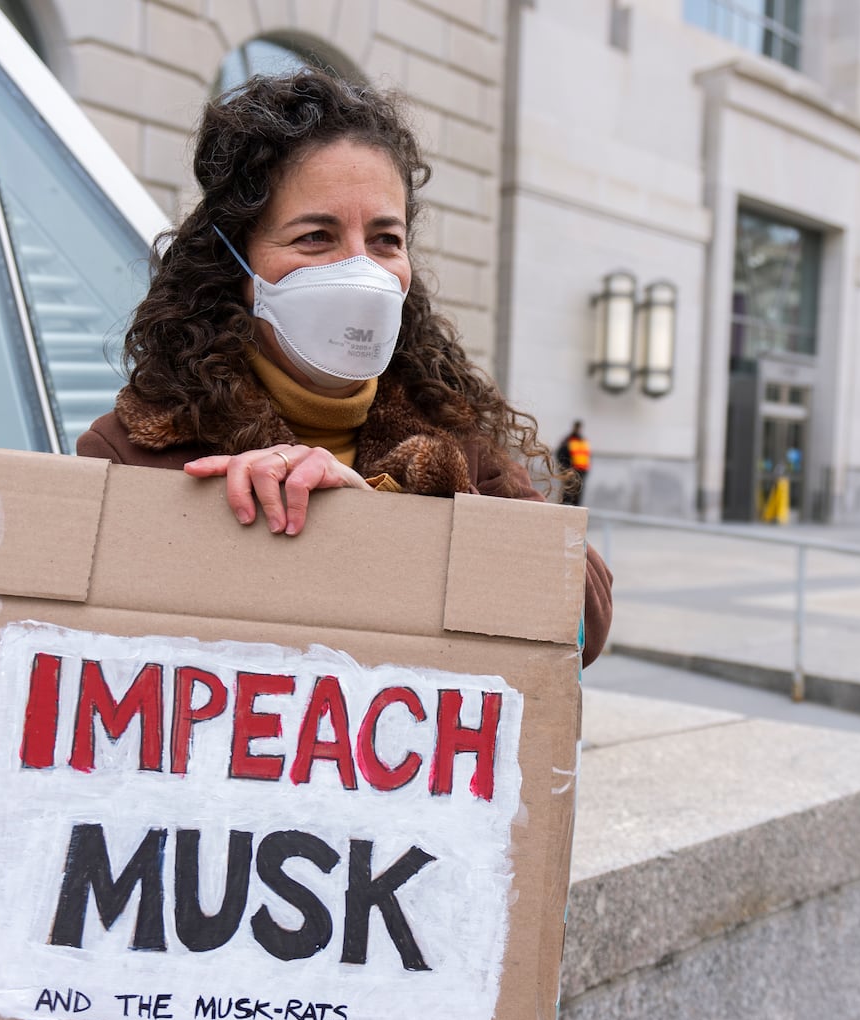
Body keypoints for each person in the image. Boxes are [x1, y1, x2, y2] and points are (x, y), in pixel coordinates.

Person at [75, 71, 612, 665]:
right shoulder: (135, 449)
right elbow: (82, 656)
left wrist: (391, 512)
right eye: (315, 236)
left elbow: (582, 623)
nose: (361, 269)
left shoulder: (451, 431)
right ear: (240, 267)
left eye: (385, 239)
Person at [554, 421, 590, 506]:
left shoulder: (583, 441)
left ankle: (576, 511)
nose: (578, 429)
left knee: (578, 496)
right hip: (570, 472)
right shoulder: (568, 440)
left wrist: (585, 472)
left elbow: (586, 457)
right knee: (568, 494)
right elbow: (561, 455)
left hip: (581, 472)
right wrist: (565, 470)